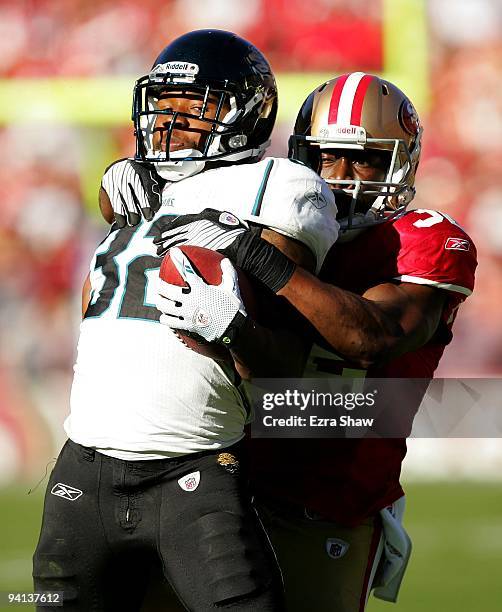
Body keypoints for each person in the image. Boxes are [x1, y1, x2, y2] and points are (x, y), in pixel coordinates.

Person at [32, 30, 340, 612]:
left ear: (245, 115)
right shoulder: (141, 185)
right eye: (161, 108)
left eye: (190, 110)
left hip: (193, 469)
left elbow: (287, 350)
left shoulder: (278, 186)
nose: (169, 124)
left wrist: (232, 323)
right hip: (83, 468)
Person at [153, 73, 477, 611]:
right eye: (325, 157)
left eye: (365, 159)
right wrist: (133, 179)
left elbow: (371, 337)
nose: (341, 178)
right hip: (223, 481)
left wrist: (257, 256)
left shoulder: (421, 239)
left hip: (330, 504)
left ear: (402, 163)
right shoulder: (279, 214)